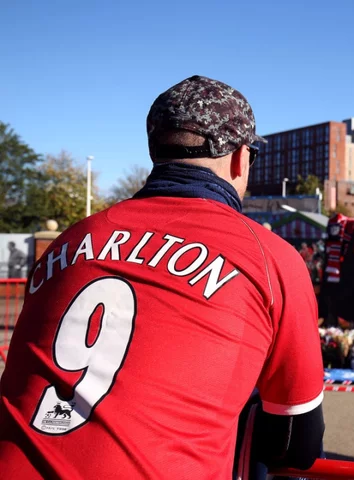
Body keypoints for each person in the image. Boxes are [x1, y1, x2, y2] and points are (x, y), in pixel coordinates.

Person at [0, 75, 325, 479]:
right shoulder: (270, 257)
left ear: (155, 150)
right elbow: (297, 442)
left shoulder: (72, 238)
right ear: (242, 159)